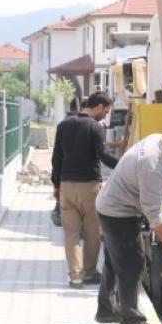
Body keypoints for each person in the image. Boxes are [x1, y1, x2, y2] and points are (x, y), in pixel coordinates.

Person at [94, 130, 162, 324]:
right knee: (133, 262)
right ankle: (131, 321)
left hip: (109, 204)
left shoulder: (160, 138)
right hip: (119, 212)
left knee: (114, 261)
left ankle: (105, 310)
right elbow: (154, 216)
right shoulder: (153, 167)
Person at [51, 92, 118, 288]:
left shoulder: (63, 125)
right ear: (98, 107)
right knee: (92, 232)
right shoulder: (95, 127)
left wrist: (56, 184)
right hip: (90, 187)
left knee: (70, 234)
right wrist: (123, 165)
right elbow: (103, 156)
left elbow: (57, 158)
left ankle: (75, 277)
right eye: (105, 111)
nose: (105, 116)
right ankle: (89, 272)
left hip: (67, 187)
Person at [50, 97, 83, 227]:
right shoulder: (76, 124)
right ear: (78, 107)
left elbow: (56, 157)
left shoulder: (65, 123)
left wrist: (56, 181)